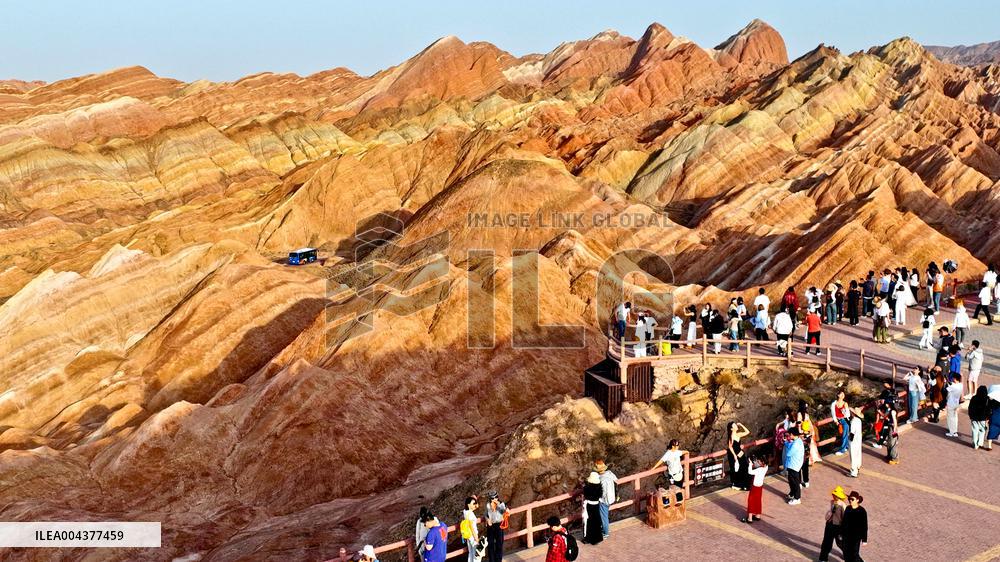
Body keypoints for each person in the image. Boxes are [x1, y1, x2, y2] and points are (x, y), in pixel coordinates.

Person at [652, 439, 687, 506]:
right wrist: (654, 467)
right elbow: (661, 460)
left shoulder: (677, 452)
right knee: (672, 489)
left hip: (680, 474)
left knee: (679, 489)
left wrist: (687, 452)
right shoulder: (668, 453)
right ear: (672, 446)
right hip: (672, 476)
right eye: (676, 445)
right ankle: (668, 503)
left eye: (678, 445)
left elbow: (683, 452)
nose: (678, 446)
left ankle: (679, 504)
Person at [818, 486, 848, 562]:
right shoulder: (832, 502)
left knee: (841, 543)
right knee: (826, 543)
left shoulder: (843, 505)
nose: (833, 496)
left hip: (838, 527)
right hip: (829, 525)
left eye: (835, 495)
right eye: (833, 495)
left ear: (839, 496)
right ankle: (823, 559)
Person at [841, 492, 868, 562]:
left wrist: (864, 539)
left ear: (857, 500)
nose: (850, 500)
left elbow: (864, 526)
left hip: (856, 537)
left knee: (854, 555)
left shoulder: (862, 511)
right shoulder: (848, 508)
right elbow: (844, 522)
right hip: (846, 536)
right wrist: (840, 533)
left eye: (852, 499)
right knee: (846, 553)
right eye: (849, 499)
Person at [742, 456, 768, 524]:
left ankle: (750, 518)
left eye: (759, 462)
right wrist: (756, 464)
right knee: (758, 500)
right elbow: (759, 467)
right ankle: (757, 515)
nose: (758, 463)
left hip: (754, 486)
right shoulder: (766, 467)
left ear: (763, 463)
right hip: (760, 486)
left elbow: (750, 472)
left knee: (751, 500)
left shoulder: (759, 470)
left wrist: (750, 464)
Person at [595, 460, 617, 539]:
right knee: (605, 515)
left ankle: (605, 533)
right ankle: (605, 529)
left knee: (603, 516)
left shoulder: (601, 479)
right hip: (611, 498)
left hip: (604, 500)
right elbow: (616, 480)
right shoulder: (609, 473)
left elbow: (603, 492)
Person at [726, 422, 751, 491]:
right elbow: (730, 447)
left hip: (740, 453)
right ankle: (739, 484)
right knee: (739, 468)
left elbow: (747, 432)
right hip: (735, 455)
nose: (736, 426)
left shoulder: (738, 434)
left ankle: (745, 484)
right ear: (731, 429)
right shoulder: (731, 436)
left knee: (745, 466)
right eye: (734, 425)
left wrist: (741, 425)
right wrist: (734, 455)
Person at [484, 492, 507, 562]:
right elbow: (485, 514)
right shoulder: (488, 505)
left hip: (499, 525)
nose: (494, 499)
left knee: (499, 544)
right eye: (492, 498)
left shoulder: (501, 504)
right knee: (490, 544)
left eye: (496, 497)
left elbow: (504, 512)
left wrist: (498, 505)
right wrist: (487, 519)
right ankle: (492, 560)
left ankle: (498, 560)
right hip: (491, 526)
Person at [581, 472, 603, 545]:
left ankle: (588, 539)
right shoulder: (600, 487)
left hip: (589, 505)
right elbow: (600, 495)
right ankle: (597, 538)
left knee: (588, 522)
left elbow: (585, 496)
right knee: (596, 521)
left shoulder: (587, 488)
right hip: (596, 505)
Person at [783, 428, 804, 505]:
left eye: (789, 434)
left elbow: (788, 453)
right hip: (794, 464)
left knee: (795, 482)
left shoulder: (795, 444)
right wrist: (786, 443)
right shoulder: (798, 441)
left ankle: (797, 498)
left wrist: (787, 445)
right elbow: (790, 445)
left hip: (794, 465)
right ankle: (792, 494)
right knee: (791, 481)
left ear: (792, 434)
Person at [969, 386, 991, 450]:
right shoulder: (987, 399)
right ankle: (980, 443)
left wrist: (970, 415)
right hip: (983, 418)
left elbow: (970, 407)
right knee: (982, 430)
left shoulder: (974, 398)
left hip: (974, 417)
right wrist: (988, 417)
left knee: (975, 430)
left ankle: (975, 444)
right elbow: (988, 409)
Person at [460, 497, 481, 562]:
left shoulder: (465, 512)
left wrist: (475, 501)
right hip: (472, 535)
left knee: (471, 553)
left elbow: (477, 506)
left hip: (468, 536)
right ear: (468, 505)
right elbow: (472, 528)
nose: (475, 505)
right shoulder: (470, 515)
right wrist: (476, 538)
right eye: (473, 503)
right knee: (476, 555)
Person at [848, 406, 864, 477]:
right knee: (858, 454)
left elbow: (852, 432)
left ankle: (853, 471)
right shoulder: (859, 420)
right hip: (858, 439)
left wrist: (850, 440)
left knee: (853, 455)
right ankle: (857, 467)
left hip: (853, 440)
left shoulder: (853, 421)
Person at [987, 385, 1000, 450]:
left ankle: (989, 446)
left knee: (991, 431)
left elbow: (989, 407)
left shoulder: (994, 401)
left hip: (994, 418)